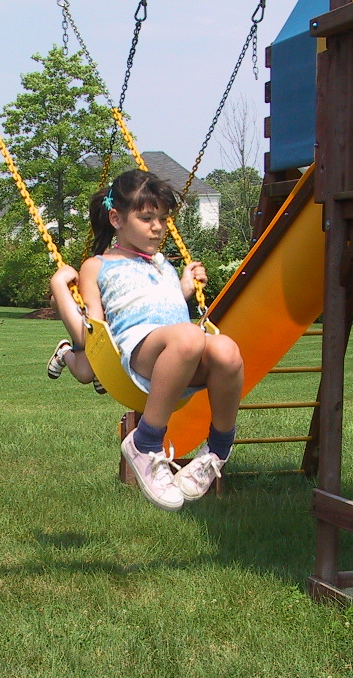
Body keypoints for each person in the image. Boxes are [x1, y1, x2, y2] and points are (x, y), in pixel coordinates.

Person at [77, 169, 244, 510]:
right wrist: (64, 294)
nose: (158, 227)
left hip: (180, 351)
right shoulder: (97, 265)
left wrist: (185, 287)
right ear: (116, 219)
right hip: (139, 353)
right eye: (146, 218)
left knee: (227, 349)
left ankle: (219, 449)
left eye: (163, 219)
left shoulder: (162, 264)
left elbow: (164, 306)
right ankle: (146, 442)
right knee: (189, 336)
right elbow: (92, 325)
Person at [46, 264, 105, 394]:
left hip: (113, 334)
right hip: (88, 327)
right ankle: (64, 352)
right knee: (84, 375)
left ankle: (102, 368)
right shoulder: (93, 271)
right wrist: (60, 284)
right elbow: (55, 301)